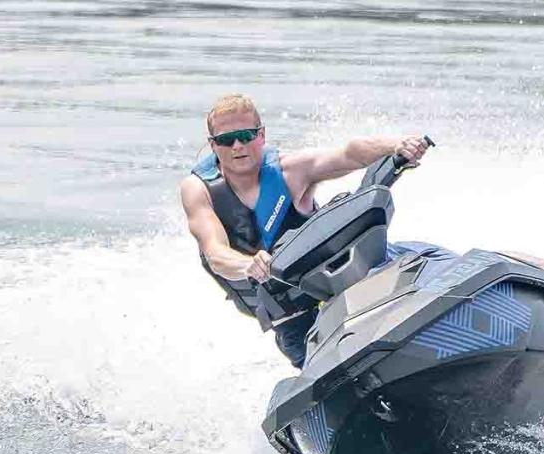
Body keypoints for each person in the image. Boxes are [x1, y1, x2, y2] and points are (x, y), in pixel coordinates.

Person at [179, 93, 430, 367]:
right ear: (213, 145)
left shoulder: (292, 171)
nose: (237, 145)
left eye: (246, 136)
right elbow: (215, 253)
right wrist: (248, 265)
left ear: (261, 135)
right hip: (293, 316)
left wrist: (396, 145)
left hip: (340, 283)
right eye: (226, 139)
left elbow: (350, 154)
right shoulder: (199, 190)